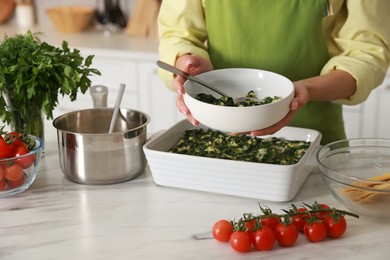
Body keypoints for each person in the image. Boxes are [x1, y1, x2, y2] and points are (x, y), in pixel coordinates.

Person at [157, 0, 390, 144]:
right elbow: (177, 34)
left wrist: (307, 90)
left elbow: (367, 51)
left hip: (313, 132)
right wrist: (186, 61)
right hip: (220, 127)